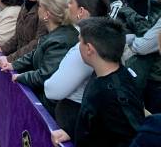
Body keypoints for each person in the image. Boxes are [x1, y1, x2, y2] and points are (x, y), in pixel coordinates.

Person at [50, 18, 144, 147]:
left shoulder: (116, 95)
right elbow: (97, 127)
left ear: (89, 49)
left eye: (80, 42)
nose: (78, 47)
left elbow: (128, 139)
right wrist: (72, 133)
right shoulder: (101, 76)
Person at [44, 0, 110, 136]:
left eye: (71, 3)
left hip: (73, 121)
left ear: (82, 11)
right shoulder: (104, 37)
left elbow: (53, 90)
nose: (67, 6)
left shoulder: (88, 48)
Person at [1, 0, 79, 109]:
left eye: (40, 6)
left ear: (47, 14)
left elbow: (46, 75)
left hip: (47, 104)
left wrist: (21, 77)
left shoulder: (60, 41)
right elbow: (35, 53)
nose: (37, 9)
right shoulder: (57, 33)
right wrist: (13, 65)